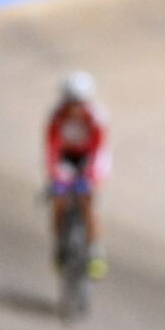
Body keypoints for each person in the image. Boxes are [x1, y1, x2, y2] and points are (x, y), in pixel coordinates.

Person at [45, 70, 109, 279]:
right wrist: (57, 177)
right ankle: (60, 245)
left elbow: (99, 149)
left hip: (90, 158)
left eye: (79, 103)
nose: (74, 108)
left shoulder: (96, 117)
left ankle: (95, 252)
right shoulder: (56, 115)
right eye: (70, 102)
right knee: (59, 199)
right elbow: (52, 149)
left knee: (87, 200)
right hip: (66, 157)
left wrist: (89, 178)